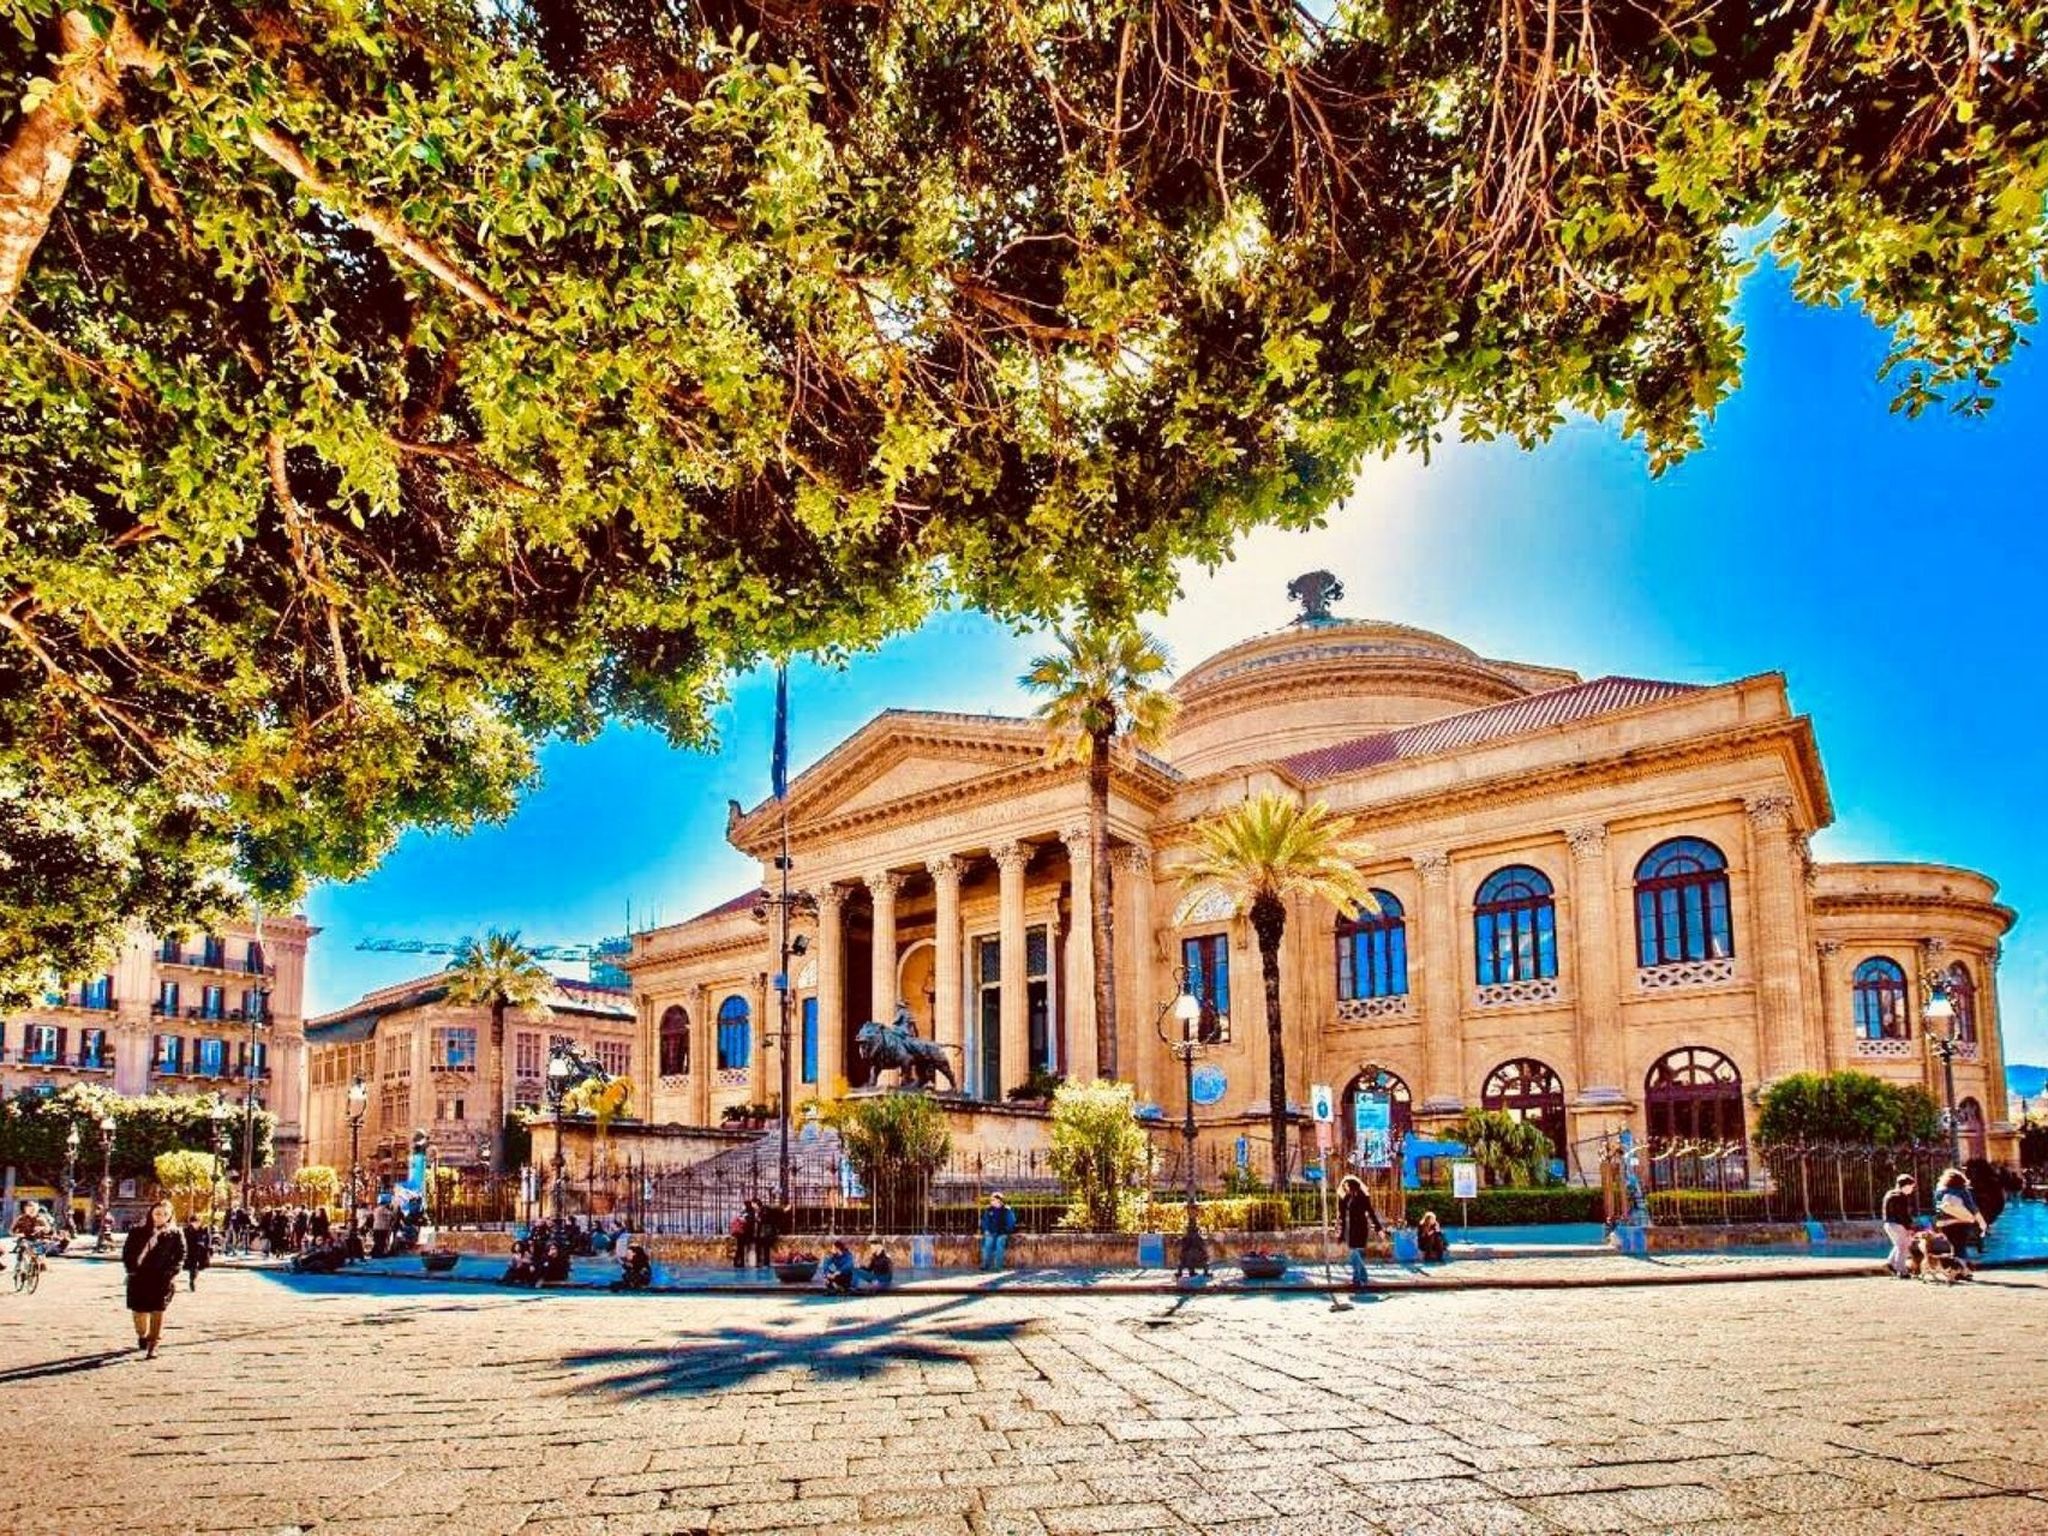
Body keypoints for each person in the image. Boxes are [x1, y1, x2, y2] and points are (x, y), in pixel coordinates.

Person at [122, 1200, 185, 1360]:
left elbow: (181, 1255)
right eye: (157, 1213)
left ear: (170, 1215)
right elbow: (127, 1252)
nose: (160, 1217)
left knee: (158, 1310)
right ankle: (142, 1335)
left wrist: (172, 1272)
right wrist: (131, 1269)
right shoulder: (137, 1231)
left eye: (165, 1214)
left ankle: (153, 1344)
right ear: (151, 1213)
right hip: (139, 1277)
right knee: (139, 1312)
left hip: (162, 1278)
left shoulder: (175, 1234)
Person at [1336, 1175, 1384, 1286]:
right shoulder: (1346, 1198)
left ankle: (1359, 1278)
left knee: (1355, 1253)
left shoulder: (1363, 1197)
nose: (1345, 1187)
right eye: (1344, 1186)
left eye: (1346, 1185)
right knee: (1354, 1253)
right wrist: (1341, 1234)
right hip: (1350, 1229)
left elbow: (1371, 1213)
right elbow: (1342, 1216)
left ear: (1352, 1186)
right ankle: (1360, 1278)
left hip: (1361, 1227)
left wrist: (1379, 1229)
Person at [1934, 1168, 1986, 1261]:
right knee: (1961, 1247)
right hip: (1961, 1224)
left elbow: (1937, 1208)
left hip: (1945, 1224)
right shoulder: (1962, 1190)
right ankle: (1962, 1267)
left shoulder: (1939, 1191)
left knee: (1954, 1247)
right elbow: (1972, 1207)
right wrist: (1982, 1223)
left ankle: (1956, 1266)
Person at [1881, 1174, 1918, 1279]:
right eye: (1911, 1186)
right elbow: (1903, 1214)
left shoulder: (1889, 1194)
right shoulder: (1901, 1197)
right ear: (1906, 1185)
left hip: (1888, 1224)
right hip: (1898, 1224)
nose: (1912, 1189)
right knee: (1903, 1247)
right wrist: (1909, 1227)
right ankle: (1901, 1270)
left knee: (1899, 1245)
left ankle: (1891, 1263)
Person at [979, 1193, 1017, 1272]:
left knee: (999, 1246)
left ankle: (998, 1266)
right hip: (991, 1232)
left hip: (1002, 1232)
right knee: (987, 1245)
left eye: (993, 1200)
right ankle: (986, 1265)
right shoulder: (989, 1210)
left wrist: (1006, 1231)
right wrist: (986, 1230)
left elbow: (1011, 1222)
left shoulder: (1007, 1210)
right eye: (991, 1200)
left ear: (999, 1200)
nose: (991, 1201)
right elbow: (985, 1221)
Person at [181, 1214, 212, 1291]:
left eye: (198, 1222)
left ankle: (194, 1276)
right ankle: (192, 1281)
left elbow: (208, 1239)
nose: (196, 1224)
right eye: (194, 1222)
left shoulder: (204, 1229)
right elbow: (184, 1241)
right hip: (192, 1251)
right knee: (193, 1266)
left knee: (201, 1266)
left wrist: (209, 1248)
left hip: (202, 1251)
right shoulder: (187, 1230)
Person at [732, 1199, 761, 1270]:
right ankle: (746, 1262)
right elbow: (751, 1223)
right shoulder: (751, 1212)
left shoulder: (745, 1212)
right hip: (746, 1233)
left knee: (740, 1248)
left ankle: (739, 1262)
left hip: (742, 1233)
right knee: (746, 1248)